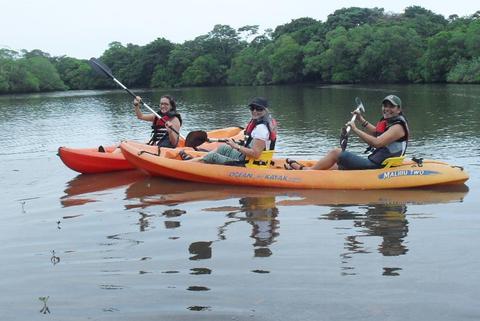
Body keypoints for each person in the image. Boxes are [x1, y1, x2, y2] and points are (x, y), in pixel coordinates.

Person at [285, 94, 409, 170]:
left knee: (336, 152)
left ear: (399, 109)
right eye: (385, 106)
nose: (387, 109)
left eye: (391, 106)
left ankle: (306, 172)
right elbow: (377, 132)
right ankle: (308, 169)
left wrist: (355, 129)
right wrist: (361, 119)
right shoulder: (391, 122)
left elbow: (377, 143)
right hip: (378, 162)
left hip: (379, 166)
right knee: (335, 165)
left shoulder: (398, 127)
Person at [182, 97, 277, 165]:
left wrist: (236, 146)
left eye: (259, 109)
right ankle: (198, 160)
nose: (255, 111)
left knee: (212, 157)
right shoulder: (262, 123)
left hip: (250, 163)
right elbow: (250, 143)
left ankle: (186, 165)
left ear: (266, 110)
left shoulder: (261, 129)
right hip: (246, 157)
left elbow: (256, 154)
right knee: (223, 148)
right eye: (252, 108)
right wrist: (234, 145)